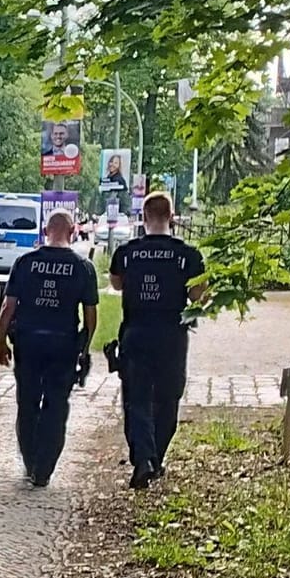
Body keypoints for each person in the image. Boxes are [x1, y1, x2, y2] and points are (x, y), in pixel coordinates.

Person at [109, 191, 208, 489]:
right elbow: (197, 296)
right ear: (172, 217)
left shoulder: (127, 252)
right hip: (172, 334)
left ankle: (143, 459)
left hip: (136, 331)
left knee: (136, 399)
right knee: (168, 398)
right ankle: (157, 458)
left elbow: (115, 283)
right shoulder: (188, 255)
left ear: (143, 218)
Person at [0, 211, 98, 487]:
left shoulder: (26, 262)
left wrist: (0, 341)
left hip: (28, 343)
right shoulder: (82, 266)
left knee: (27, 403)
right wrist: (84, 348)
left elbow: (9, 308)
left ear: (45, 230)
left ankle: (30, 461)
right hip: (63, 345)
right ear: (73, 230)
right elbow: (90, 316)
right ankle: (45, 468)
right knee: (56, 405)